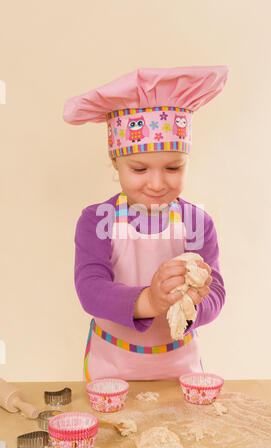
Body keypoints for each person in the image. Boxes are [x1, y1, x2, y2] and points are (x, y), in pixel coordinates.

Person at [63, 66, 229, 382]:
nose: (156, 183)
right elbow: (90, 289)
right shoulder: (97, 220)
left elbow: (216, 290)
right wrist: (150, 301)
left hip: (180, 369)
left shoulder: (196, 222)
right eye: (139, 169)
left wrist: (195, 302)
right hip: (112, 369)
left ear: (187, 161)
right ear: (116, 163)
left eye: (173, 167)